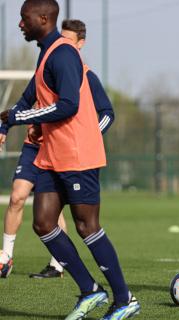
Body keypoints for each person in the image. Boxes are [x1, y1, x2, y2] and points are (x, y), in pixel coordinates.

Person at [0, 1, 139, 319]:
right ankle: (90, 291)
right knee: (43, 223)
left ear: (43, 18)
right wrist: (7, 121)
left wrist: (19, 117)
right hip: (52, 153)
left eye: (25, 19)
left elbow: (69, 106)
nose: (21, 24)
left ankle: (124, 299)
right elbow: (30, 95)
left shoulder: (63, 53)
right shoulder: (46, 52)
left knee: (86, 226)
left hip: (77, 153)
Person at [0, 18, 115, 280]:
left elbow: (104, 112)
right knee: (20, 198)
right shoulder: (45, 63)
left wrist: (87, 136)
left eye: (68, 40)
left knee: (78, 222)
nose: (61, 44)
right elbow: (24, 102)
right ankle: (5, 257)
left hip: (69, 152)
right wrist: (6, 126)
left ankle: (66, 269)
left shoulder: (85, 75)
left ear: (80, 44)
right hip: (37, 147)